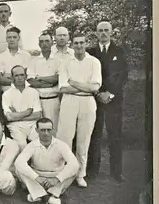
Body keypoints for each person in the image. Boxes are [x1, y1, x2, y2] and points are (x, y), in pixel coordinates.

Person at [56, 34, 102, 188]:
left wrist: (74, 82)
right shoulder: (65, 62)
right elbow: (62, 87)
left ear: (86, 43)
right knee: (65, 138)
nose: (79, 46)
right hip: (69, 101)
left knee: (84, 139)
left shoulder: (94, 62)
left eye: (82, 43)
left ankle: (80, 174)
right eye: (76, 43)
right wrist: (84, 86)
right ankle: (64, 173)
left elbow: (95, 87)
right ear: (72, 45)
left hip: (88, 101)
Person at [87, 21, 128, 182]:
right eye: (100, 30)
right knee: (94, 135)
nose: (103, 33)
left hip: (114, 100)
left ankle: (116, 172)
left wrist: (110, 94)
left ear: (111, 32)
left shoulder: (120, 51)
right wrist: (98, 93)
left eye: (106, 30)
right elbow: (88, 76)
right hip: (96, 100)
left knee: (115, 136)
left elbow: (123, 75)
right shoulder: (91, 52)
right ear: (96, 33)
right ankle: (92, 171)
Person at [15, 118, 79, 204]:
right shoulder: (32, 145)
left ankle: (38, 194)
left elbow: (74, 164)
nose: (46, 133)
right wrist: (37, 178)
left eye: (49, 130)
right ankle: (48, 197)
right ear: (36, 130)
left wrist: (57, 179)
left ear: (52, 130)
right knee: (19, 170)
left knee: (74, 170)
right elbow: (19, 162)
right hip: (38, 176)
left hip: (56, 176)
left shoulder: (61, 145)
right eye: (42, 130)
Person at [27, 32, 60, 134]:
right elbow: (31, 80)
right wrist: (49, 82)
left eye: (47, 41)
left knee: (53, 129)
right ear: (39, 44)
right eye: (41, 42)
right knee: (38, 131)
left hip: (53, 100)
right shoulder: (34, 60)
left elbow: (57, 79)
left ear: (52, 43)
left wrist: (40, 78)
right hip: (38, 101)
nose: (44, 44)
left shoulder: (58, 59)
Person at [2, 65, 42, 150]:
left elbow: (37, 115)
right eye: (16, 76)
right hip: (15, 126)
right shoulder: (6, 94)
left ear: (26, 76)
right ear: (12, 78)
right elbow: (9, 117)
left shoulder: (34, 92)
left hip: (32, 124)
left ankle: (35, 163)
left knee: (36, 142)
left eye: (22, 75)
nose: (20, 78)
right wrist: (27, 112)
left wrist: (16, 115)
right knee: (21, 144)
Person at [0, 26, 32, 92]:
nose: (12, 39)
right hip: (6, 93)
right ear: (6, 39)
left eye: (14, 37)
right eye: (9, 37)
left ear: (18, 38)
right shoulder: (0, 57)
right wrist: (19, 78)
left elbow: (29, 77)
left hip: (23, 92)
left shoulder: (26, 56)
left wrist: (8, 76)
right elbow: (0, 79)